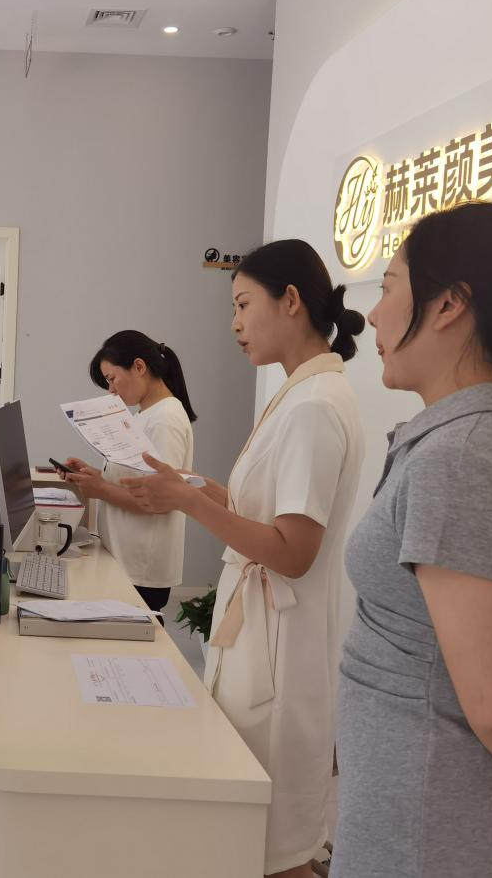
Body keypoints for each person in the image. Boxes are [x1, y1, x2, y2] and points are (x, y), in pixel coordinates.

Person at [330, 201, 492, 876]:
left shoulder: (462, 458)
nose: (373, 314)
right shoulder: (482, 439)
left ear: (449, 304)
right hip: (429, 810)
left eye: (389, 286)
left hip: (429, 827)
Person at [121, 239, 366, 878]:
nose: (234, 323)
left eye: (243, 304)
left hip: (280, 647)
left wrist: (188, 501)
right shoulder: (298, 395)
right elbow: (258, 508)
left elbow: (293, 550)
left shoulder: (315, 407)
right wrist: (189, 486)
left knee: (276, 851)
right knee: (250, 833)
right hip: (259, 635)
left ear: (290, 301)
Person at [61, 330, 197, 621]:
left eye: (112, 379)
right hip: (126, 559)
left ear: (139, 366)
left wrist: (101, 489)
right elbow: (135, 480)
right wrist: (96, 477)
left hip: (141, 567)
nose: (111, 390)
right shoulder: (145, 414)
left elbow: (160, 499)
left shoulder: (165, 419)